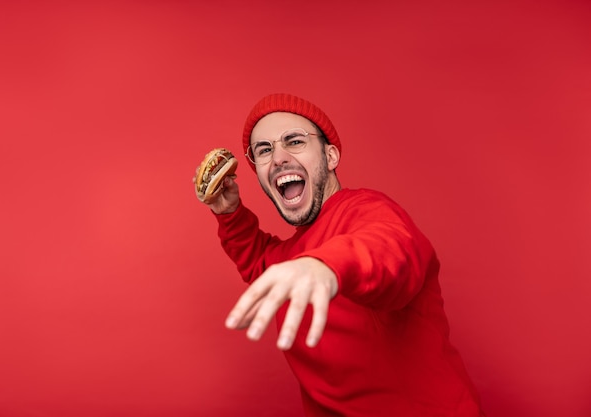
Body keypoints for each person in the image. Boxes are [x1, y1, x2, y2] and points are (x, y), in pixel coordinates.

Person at [195, 93, 485, 416]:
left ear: (330, 156)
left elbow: (390, 250)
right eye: (264, 150)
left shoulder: (366, 210)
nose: (277, 158)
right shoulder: (291, 256)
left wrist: (325, 268)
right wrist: (230, 213)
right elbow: (260, 263)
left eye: (293, 141)